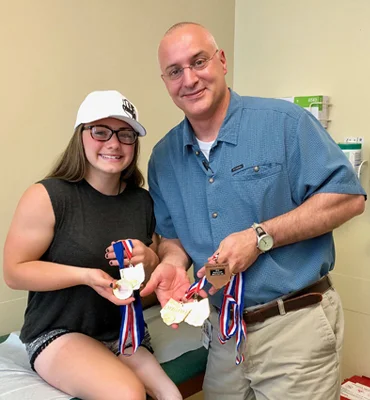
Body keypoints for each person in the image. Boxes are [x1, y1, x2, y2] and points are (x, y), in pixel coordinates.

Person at [140, 22, 367, 400]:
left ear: (222, 61)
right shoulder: (163, 159)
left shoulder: (285, 124)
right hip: (224, 335)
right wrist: (172, 264)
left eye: (199, 61)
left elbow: (348, 198)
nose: (190, 79)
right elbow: (175, 239)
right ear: (165, 80)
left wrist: (260, 237)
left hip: (294, 324)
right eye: (175, 71)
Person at [3, 90, 182, 400]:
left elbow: (149, 273)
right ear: (81, 135)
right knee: (128, 395)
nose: (114, 143)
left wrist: (150, 258)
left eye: (125, 134)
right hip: (58, 331)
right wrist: (85, 276)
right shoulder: (48, 196)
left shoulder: (142, 201)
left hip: (122, 332)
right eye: (101, 131)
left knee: (172, 395)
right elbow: (14, 272)